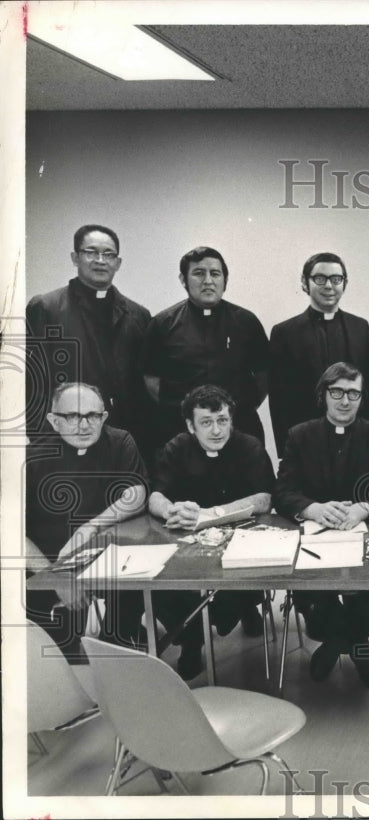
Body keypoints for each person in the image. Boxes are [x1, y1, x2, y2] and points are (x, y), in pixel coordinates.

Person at [273, 362, 369, 689]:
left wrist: (364, 507)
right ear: (324, 395)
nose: (345, 401)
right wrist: (313, 508)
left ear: (362, 398)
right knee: (309, 588)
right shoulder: (299, 435)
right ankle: (344, 641)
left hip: (367, 536)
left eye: (353, 393)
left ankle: (348, 643)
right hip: (316, 538)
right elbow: (283, 490)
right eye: (337, 393)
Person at [147, 385, 272, 679]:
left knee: (241, 580)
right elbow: (155, 496)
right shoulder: (176, 447)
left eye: (222, 421)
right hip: (188, 540)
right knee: (162, 587)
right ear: (191, 425)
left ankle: (247, 607)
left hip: (240, 536)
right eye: (206, 422)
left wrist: (212, 514)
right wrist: (170, 510)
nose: (216, 430)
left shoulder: (249, 446)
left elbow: (264, 498)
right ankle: (192, 641)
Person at [24, 383, 148, 660]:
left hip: (104, 560)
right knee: (55, 657)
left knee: (130, 604)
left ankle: (121, 642)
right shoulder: (31, 459)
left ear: (104, 418)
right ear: (54, 421)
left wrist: (89, 527)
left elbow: (137, 493)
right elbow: (10, 531)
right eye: (72, 416)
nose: (84, 425)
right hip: (46, 564)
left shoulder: (119, 441)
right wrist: (55, 578)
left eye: (93, 415)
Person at [26, 224, 152, 453]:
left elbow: (142, 389)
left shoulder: (138, 315)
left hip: (123, 441)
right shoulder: (46, 308)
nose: (100, 260)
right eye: (91, 252)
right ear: (75, 258)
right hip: (66, 437)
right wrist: (42, 441)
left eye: (108, 254)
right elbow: (33, 383)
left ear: (118, 263)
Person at [143, 246, 269, 450]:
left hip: (239, 428)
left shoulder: (246, 322)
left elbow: (264, 376)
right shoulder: (162, 324)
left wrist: (243, 408)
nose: (208, 281)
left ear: (225, 281)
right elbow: (151, 380)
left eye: (215, 274)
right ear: (183, 280)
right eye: (199, 273)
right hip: (181, 431)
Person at [269, 252, 369, 457]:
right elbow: (279, 397)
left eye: (336, 279)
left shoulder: (360, 327)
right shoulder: (284, 332)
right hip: (306, 439)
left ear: (345, 283)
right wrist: (285, 449)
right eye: (320, 278)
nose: (329, 286)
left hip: (356, 437)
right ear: (305, 282)